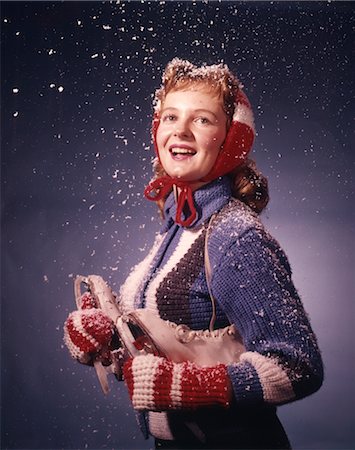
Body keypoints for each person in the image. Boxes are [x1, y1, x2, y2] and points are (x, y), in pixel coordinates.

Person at [64, 58, 323, 449]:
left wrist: (185, 386)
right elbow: (172, 350)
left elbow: (298, 365)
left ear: (231, 137)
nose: (180, 130)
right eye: (170, 117)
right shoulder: (180, 225)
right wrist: (110, 343)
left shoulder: (236, 235)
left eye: (202, 119)